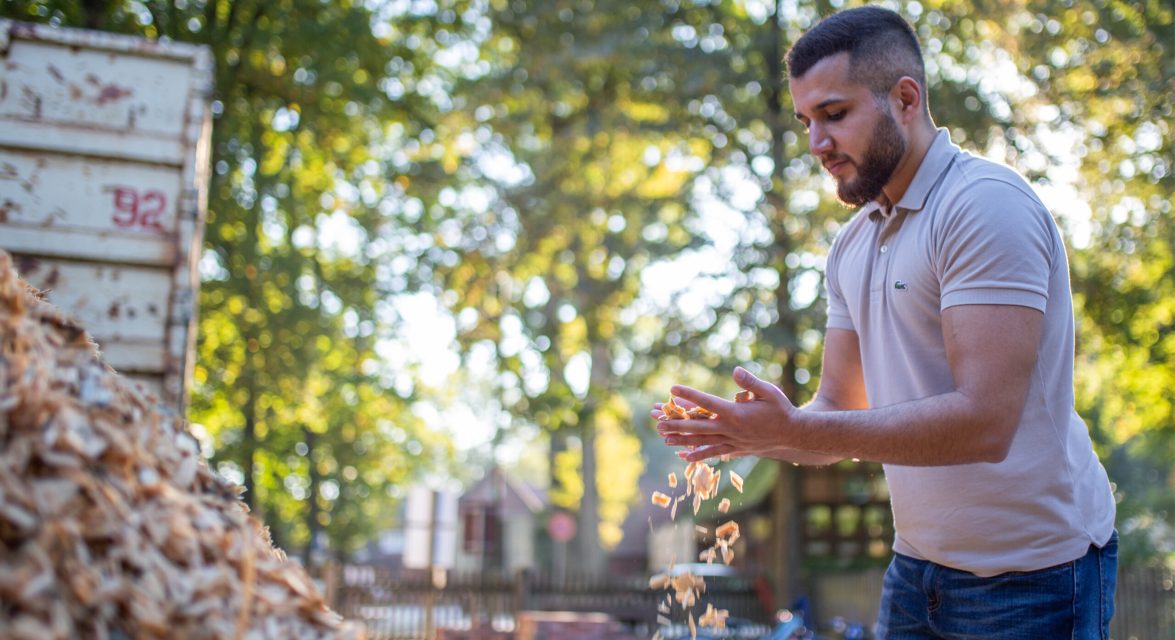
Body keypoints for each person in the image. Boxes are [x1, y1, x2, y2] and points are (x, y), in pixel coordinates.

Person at [653, 6, 1117, 639]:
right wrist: (754, 435)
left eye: (835, 115)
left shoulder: (983, 207)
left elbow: (986, 423)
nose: (817, 143)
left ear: (904, 99)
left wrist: (795, 429)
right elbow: (840, 410)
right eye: (806, 120)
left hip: (1033, 577)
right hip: (915, 570)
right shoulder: (851, 245)